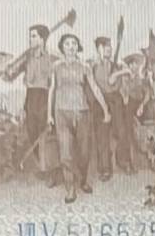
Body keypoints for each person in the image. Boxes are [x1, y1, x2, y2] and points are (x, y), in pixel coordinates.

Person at [48, 33, 110, 203]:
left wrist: (105, 109)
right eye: (67, 43)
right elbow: (52, 90)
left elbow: (95, 88)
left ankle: (83, 179)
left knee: (84, 152)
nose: (71, 46)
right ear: (62, 47)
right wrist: (49, 115)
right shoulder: (56, 66)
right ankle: (70, 188)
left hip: (82, 113)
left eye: (74, 43)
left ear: (78, 47)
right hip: (61, 113)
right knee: (65, 153)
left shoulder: (85, 66)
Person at [3, 24, 57, 184]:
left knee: (44, 134)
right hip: (30, 97)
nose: (30, 39)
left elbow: (56, 81)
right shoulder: (27, 58)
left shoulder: (52, 57)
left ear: (42, 39)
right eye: (30, 36)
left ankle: (48, 170)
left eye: (34, 36)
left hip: (46, 96)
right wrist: (7, 69)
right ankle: (42, 166)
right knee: (32, 132)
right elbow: (9, 77)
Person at [89, 36, 127, 182]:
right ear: (98, 49)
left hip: (115, 100)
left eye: (110, 47)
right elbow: (97, 85)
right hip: (100, 101)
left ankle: (122, 160)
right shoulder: (93, 66)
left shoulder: (116, 65)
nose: (109, 50)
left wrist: (117, 76)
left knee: (121, 131)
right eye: (105, 47)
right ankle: (105, 168)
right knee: (102, 136)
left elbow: (118, 84)